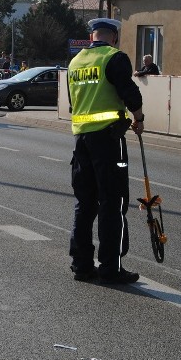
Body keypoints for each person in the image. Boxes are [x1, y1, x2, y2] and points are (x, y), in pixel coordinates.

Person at [67, 18, 144, 284]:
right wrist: (139, 117)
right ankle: (111, 267)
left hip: (81, 141)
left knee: (85, 204)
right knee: (113, 202)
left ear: (92, 36)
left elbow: (73, 101)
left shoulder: (75, 62)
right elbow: (129, 91)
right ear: (113, 37)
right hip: (108, 140)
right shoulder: (114, 58)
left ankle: (81, 265)